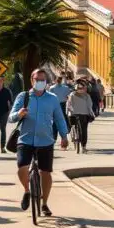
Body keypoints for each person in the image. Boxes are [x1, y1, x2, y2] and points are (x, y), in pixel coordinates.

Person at [10, 68, 69, 217]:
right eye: (37, 80)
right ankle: (27, 191)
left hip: (45, 140)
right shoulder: (23, 97)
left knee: (46, 172)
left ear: (46, 81)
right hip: (26, 139)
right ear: (32, 81)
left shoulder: (52, 99)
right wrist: (19, 114)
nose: (40, 82)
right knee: (22, 167)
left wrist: (64, 136)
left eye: (43, 80)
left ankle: (44, 203)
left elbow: (59, 118)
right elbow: (11, 117)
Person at [66, 82, 95, 153]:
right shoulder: (87, 96)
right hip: (84, 115)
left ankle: (73, 134)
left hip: (73, 115)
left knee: (73, 125)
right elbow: (89, 106)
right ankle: (83, 147)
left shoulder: (72, 94)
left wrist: (69, 112)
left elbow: (68, 105)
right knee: (84, 130)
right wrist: (92, 114)